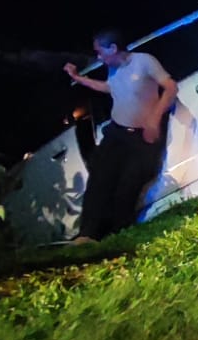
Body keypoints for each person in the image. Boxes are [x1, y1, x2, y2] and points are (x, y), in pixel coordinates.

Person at [64, 29, 178, 241]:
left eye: (100, 52)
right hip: (117, 133)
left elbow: (170, 87)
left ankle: (119, 235)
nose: (98, 57)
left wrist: (155, 117)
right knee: (99, 178)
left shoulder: (144, 61)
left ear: (113, 48)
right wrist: (79, 79)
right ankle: (87, 235)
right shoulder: (113, 69)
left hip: (141, 137)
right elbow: (110, 88)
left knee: (128, 185)